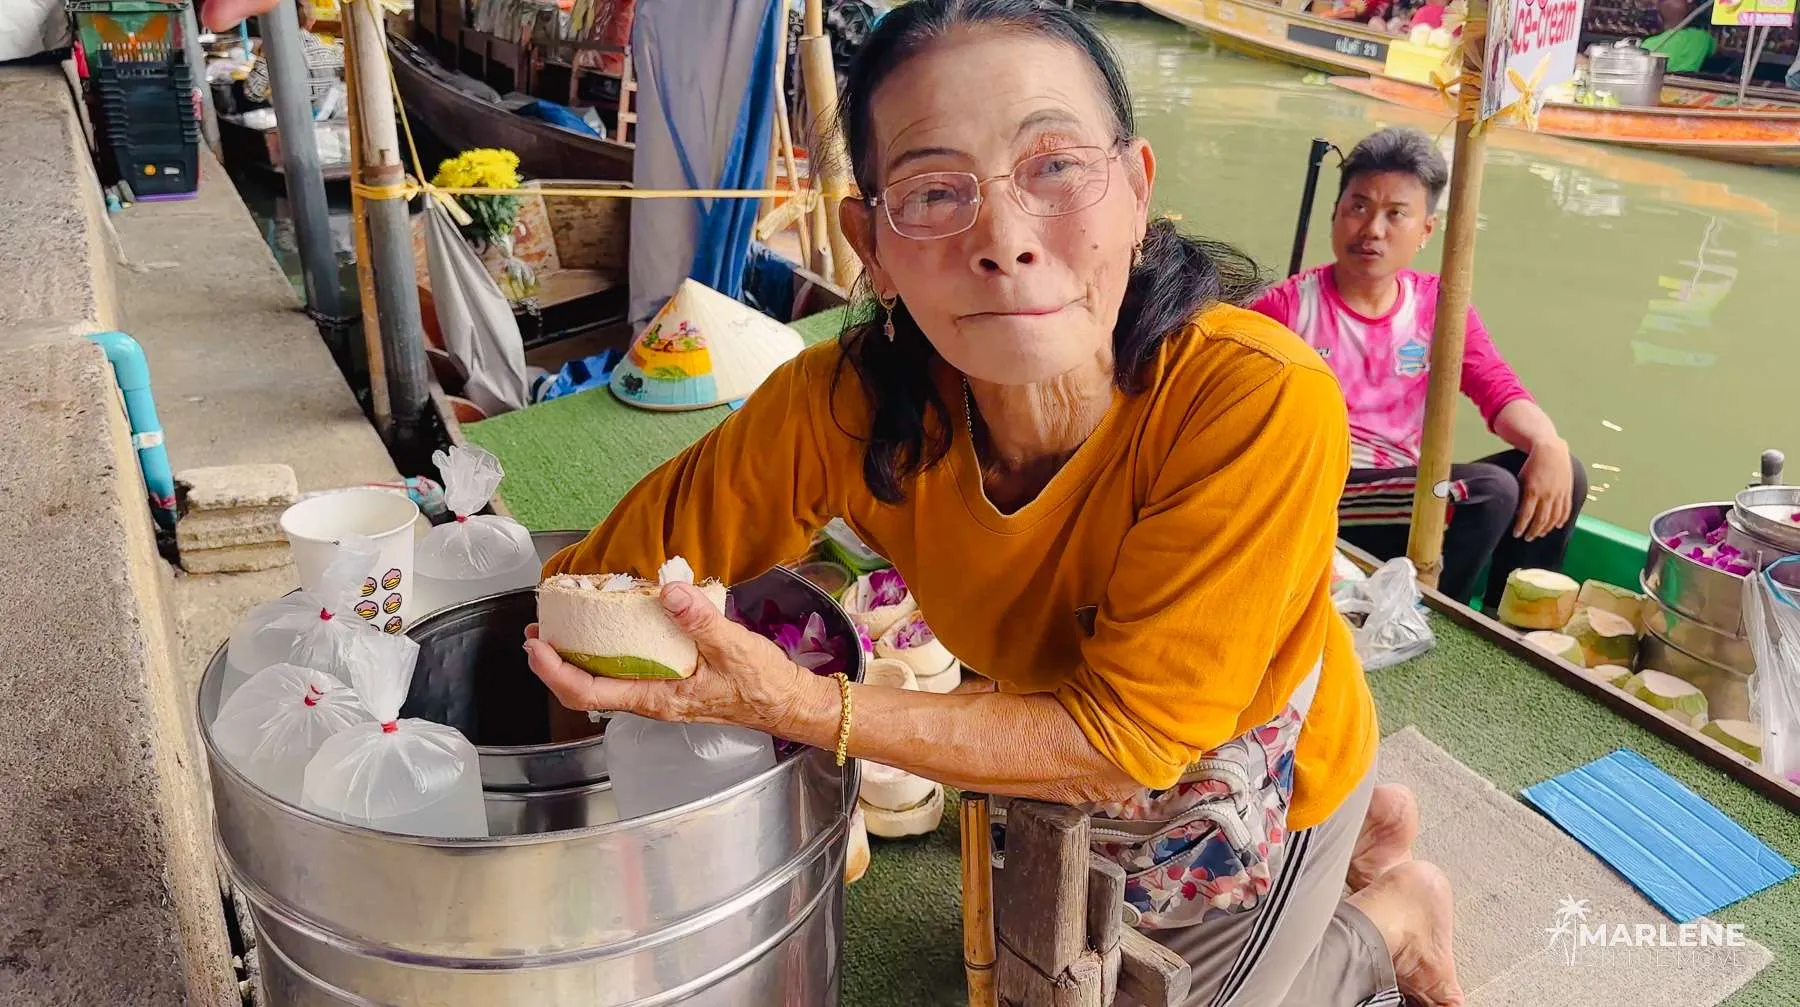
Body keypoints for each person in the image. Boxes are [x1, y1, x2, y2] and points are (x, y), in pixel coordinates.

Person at [525, 4, 1462, 1005]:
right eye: (934, 190)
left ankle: (1395, 906)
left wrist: (795, 703)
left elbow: (1127, 740)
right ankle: (1376, 841)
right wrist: (573, 842)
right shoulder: (838, 402)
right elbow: (592, 587)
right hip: (1058, 732)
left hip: (1250, 755)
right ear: (868, 245)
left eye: (1055, 167)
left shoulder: (1254, 396)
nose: (1005, 240)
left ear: (1138, 190)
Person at [1253, 127, 1585, 610]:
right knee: (1489, 493)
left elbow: (1497, 387)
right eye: (1359, 207)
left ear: (1426, 231)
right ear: (1336, 213)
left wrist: (1549, 442)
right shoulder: (1286, 308)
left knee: (1562, 471)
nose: (1372, 230)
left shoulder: (1437, 305)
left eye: (1396, 215)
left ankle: (1511, 622)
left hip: (1405, 487)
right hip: (1325, 494)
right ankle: (1431, 623)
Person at [1641, 0, 1717, 75]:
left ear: (1659, 17)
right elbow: (1719, 52)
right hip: (1690, 83)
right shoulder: (1703, 38)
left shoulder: (1649, 44)